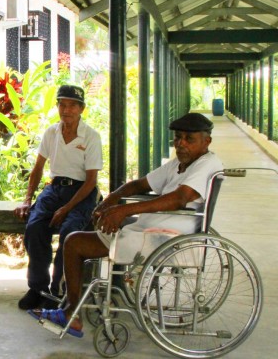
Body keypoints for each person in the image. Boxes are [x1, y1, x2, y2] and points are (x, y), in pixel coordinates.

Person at [29, 112, 223, 337]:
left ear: (206, 141)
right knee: (92, 228)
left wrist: (124, 210)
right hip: (148, 230)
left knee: (75, 242)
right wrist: (112, 198)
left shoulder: (207, 164)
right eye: (178, 138)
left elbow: (179, 198)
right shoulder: (179, 165)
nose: (181, 144)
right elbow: (141, 184)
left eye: (189, 139)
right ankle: (82, 301)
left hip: (165, 237)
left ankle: (73, 312)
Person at [15, 85, 102, 310]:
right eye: (62, 104)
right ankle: (37, 288)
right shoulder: (51, 132)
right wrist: (27, 199)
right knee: (34, 227)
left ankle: (58, 292)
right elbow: (38, 168)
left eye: (72, 105)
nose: (67, 110)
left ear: (81, 109)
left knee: (69, 234)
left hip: (82, 191)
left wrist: (66, 209)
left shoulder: (91, 136)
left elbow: (91, 180)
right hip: (54, 189)